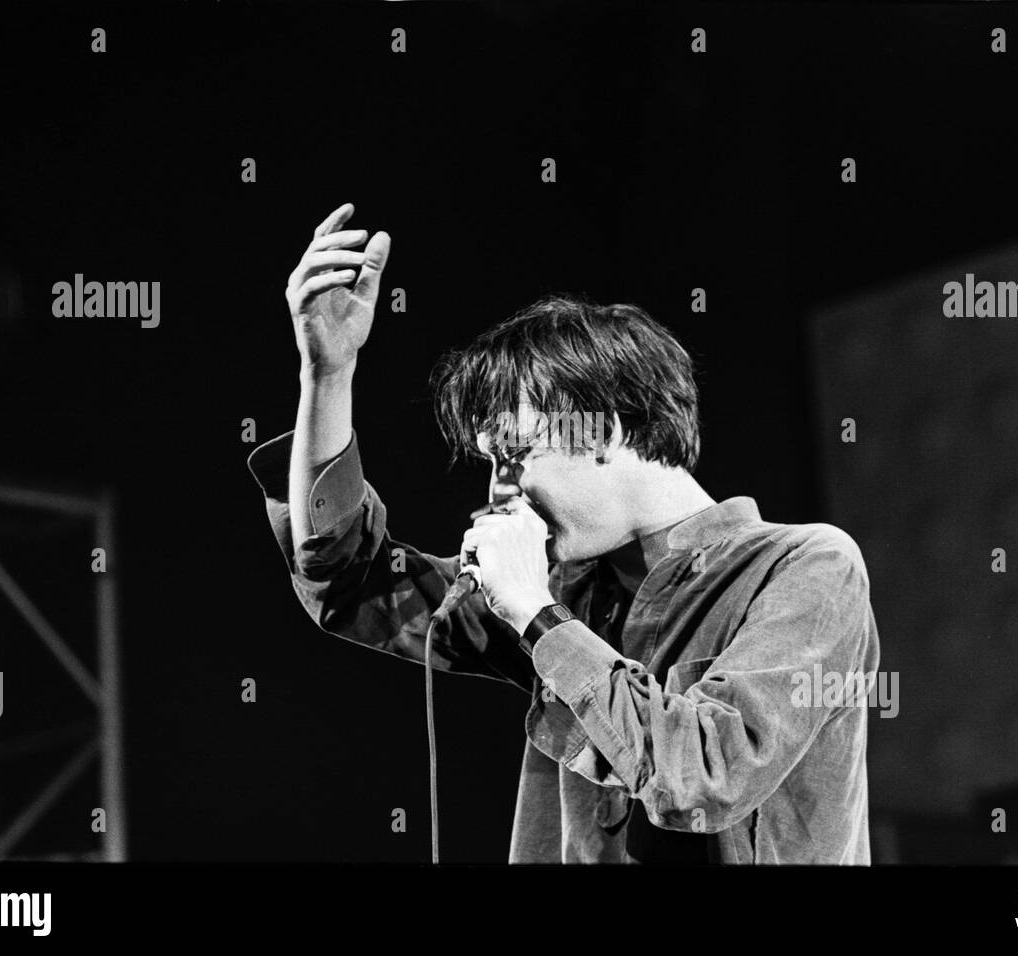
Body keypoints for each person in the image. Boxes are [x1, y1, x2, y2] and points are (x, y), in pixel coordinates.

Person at [247, 202, 881, 864]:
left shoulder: (806, 567)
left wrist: (538, 616)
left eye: (514, 454)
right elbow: (352, 585)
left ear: (602, 430)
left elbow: (705, 777)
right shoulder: (566, 590)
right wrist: (326, 374)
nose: (498, 489)